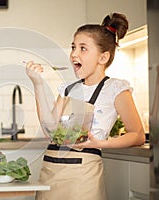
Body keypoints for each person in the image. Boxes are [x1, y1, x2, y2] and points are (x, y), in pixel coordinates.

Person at [25, 13, 145, 200]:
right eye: (73, 47)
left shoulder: (115, 88)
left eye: (83, 49)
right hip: (51, 169)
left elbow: (137, 135)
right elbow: (50, 131)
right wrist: (38, 84)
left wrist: (100, 144)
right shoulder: (68, 89)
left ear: (103, 57)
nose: (74, 54)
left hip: (84, 174)